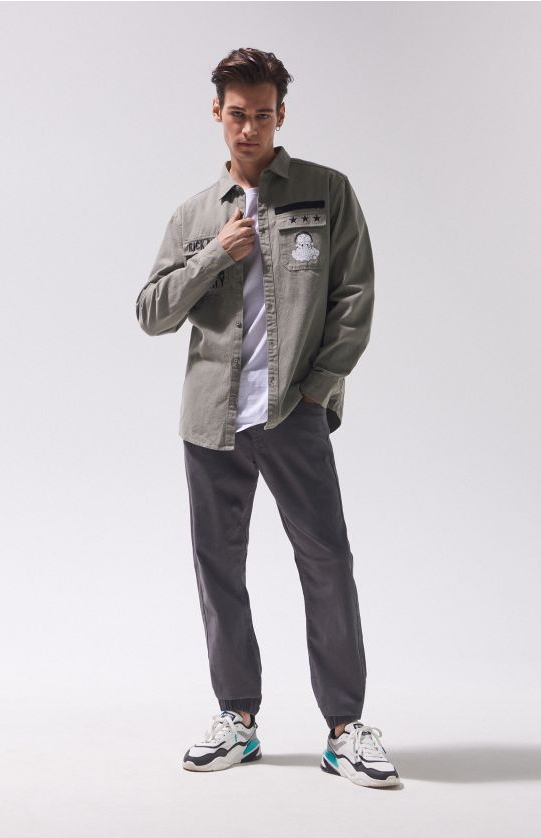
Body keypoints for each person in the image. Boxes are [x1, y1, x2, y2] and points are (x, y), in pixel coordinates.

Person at [135, 47, 400, 789]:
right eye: (236, 115)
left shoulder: (325, 191)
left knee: (327, 561)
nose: (248, 128)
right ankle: (238, 719)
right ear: (216, 114)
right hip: (210, 420)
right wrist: (214, 256)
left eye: (261, 114)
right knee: (218, 566)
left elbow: (354, 297)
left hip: (293, 412)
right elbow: (151, 313)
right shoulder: (194, 215)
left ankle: (344, 728)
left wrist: (317, 391)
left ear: (281, 114)